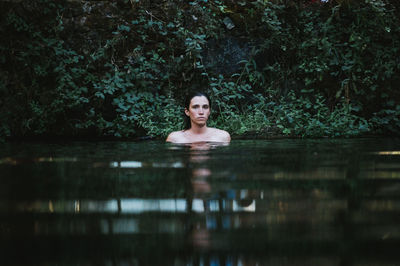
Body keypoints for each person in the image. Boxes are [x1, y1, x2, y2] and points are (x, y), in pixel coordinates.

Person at [166, 91, 231, 143]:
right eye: (195, 107)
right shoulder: (175, 138)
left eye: (205, 107)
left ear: (209, 111)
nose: (201, 112)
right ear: (187, 112)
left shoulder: (222, 137)